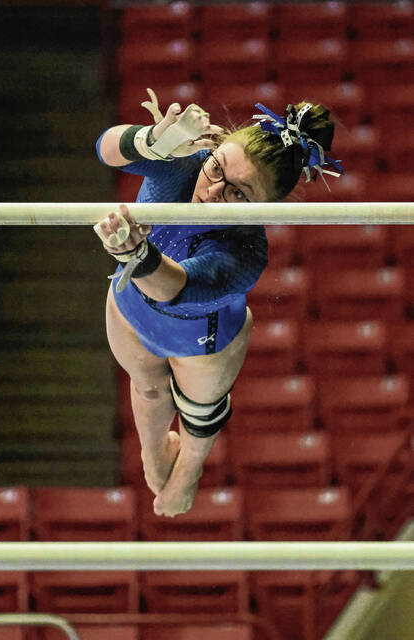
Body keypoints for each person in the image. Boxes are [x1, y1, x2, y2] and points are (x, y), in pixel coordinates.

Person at [94, 89, 341, 518]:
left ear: (265, 209)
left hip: (202, 340)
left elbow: (177, 287)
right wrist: (154, 141)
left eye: (238, 194)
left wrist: (137, 254)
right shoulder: (184, 164)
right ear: (212, 150)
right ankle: (155, 463)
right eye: (216, 167)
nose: (212, 192)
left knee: (195, 426)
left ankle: (189, 472)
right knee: (148, 389)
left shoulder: (247, 251)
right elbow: (105, 148)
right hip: (132, 312)